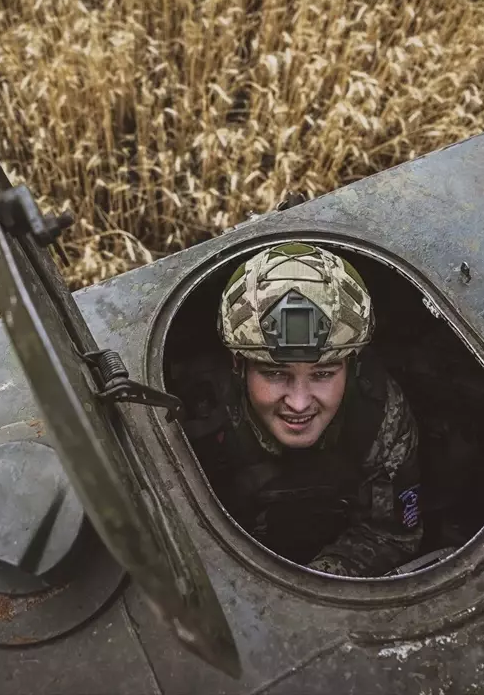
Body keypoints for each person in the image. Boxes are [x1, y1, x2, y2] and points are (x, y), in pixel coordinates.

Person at [179, 242, 423, 577]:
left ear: (351, 368)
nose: (299, 402)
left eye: (323, 374)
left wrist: (317, 581)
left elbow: (391, 534)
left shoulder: (378, 415)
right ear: (239, 366)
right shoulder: (191, 416)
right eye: (275, 374)